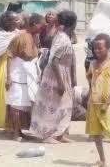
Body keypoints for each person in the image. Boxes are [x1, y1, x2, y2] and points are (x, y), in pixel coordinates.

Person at [30, 10, 77, 144]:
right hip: (56, 76)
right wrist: (61, 82)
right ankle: (47, 135)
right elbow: (54, 60)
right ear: (72, 24)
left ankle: (59, 133)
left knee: (65, 105)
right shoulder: (62, 38)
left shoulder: (62, 36)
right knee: (53, 104)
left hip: (62, 74)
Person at [5, 13, 44, 141]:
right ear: (34, 24)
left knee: (25, 104)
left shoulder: (34, 36)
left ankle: (21, 130)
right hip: (17, 73)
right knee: (16, 104)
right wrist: (9, 77)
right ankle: (16, 132)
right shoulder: (20, 36)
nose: (42, 27)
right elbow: (9, 56)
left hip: (29, 74)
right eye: (40, 24)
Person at [86, 34, 110, 167]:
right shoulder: (92, 64)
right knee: (96, 134)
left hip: (106, 106)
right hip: (93, 104)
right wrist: (90, 98)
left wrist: (107, 103)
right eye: (95, 48)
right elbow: (90, 81)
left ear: (108, 48)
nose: (97, 51)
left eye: (100, 48)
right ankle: (102, 160)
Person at [0, 11, 20, 128]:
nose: (19, 21)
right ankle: (4, 123)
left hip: (16, 66)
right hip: (3, 67)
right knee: (4, 96)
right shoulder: (1, 35)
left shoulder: (19, 33)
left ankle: (13, 124)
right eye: (16, 20)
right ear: (9, 22)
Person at [85, 0, 110, 72]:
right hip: (101, 66)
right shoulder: (100, 24)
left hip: (105, 64)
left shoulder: (108, 23)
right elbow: (103, 49)